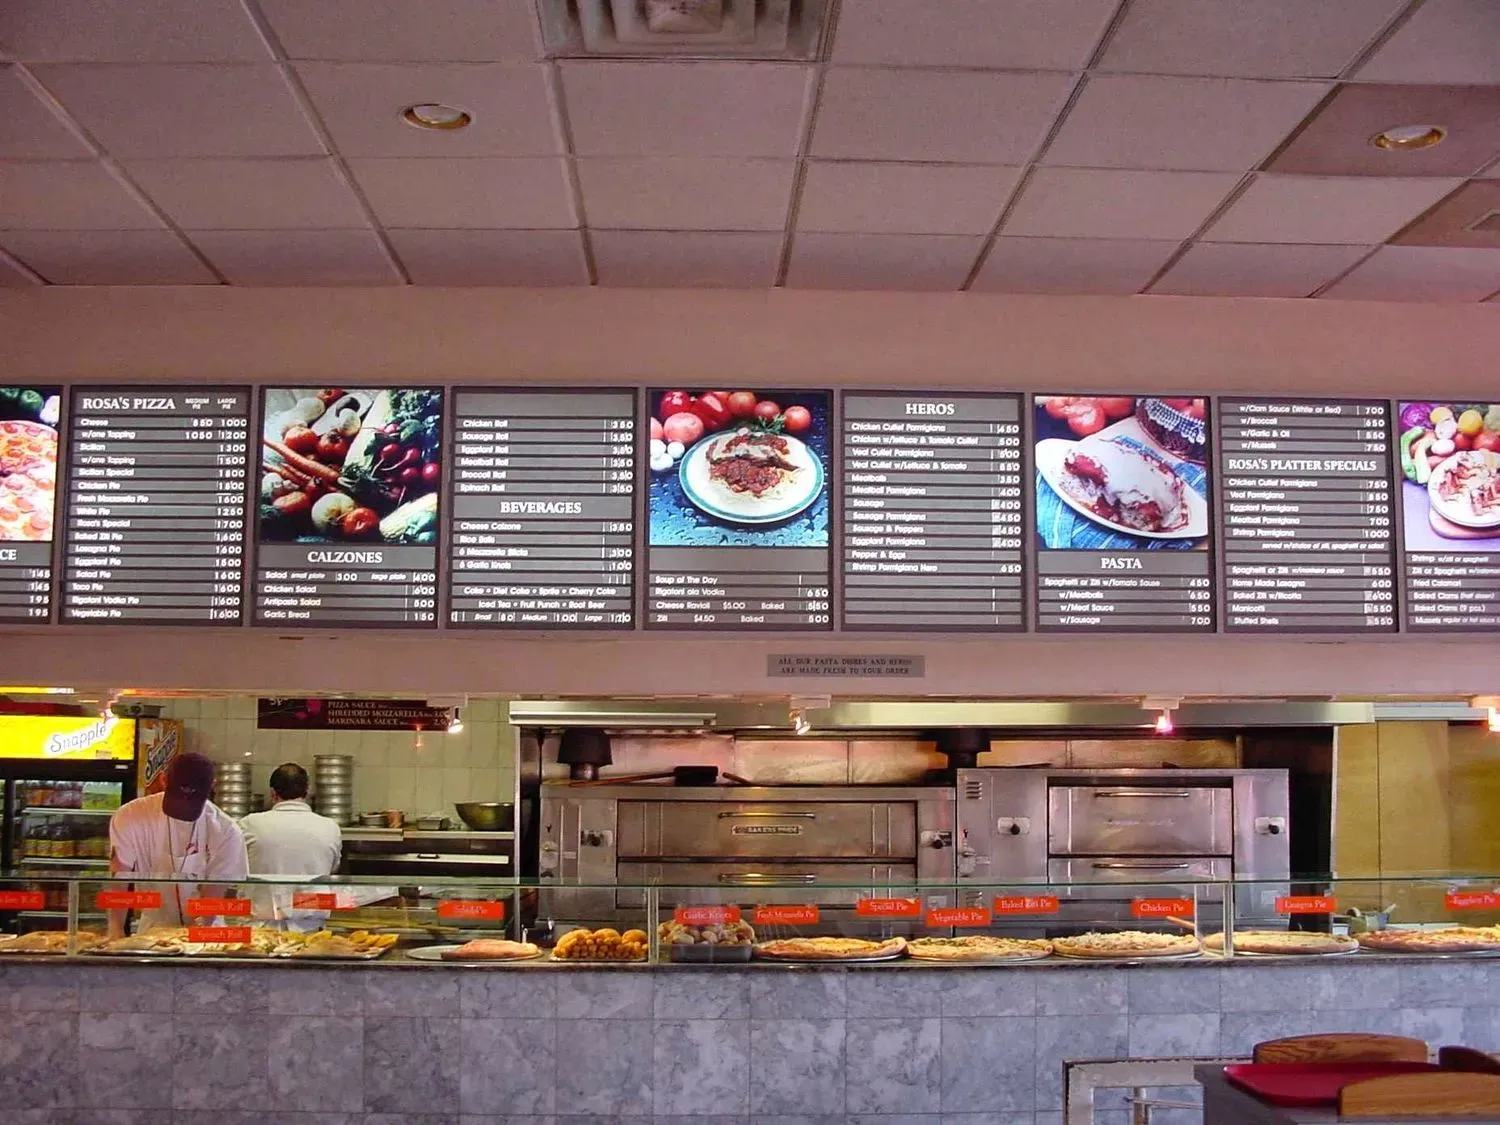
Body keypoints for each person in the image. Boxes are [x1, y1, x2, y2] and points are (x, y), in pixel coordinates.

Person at [107, 751, 248, 936]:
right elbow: (119, 876)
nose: (184, 806)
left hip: (205, 929)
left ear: (213, 786)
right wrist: (115, 930)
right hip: (152, 927)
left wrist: (193, 936)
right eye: (177, 799)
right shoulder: (130, 816)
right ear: (163, 780)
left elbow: (212, 896)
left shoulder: (226, 831)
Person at [238, 762, 342, 929]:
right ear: (307, 791)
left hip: (259, 930)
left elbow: (235, 870)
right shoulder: (330, 827)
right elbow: (332, 868)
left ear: (273, 793)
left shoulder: (249, 824)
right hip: (311, 931)